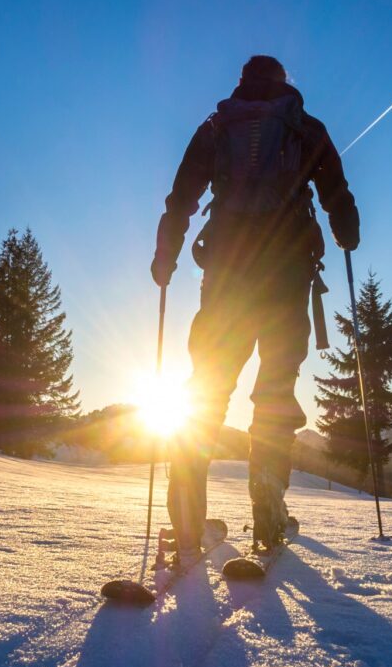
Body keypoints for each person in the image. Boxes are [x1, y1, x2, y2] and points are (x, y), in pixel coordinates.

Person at [151, 55, 360, 563]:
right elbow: (337, 193)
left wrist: (166, 255)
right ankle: (268, 506)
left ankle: (185, 514)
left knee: (207, 387)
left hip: (226, 275)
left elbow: (180, 198)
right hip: (287, 276)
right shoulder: (305, 126)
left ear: (242, 83)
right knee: (274, 391)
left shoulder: (217, 126)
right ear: (284, 83)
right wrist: (346, 229)